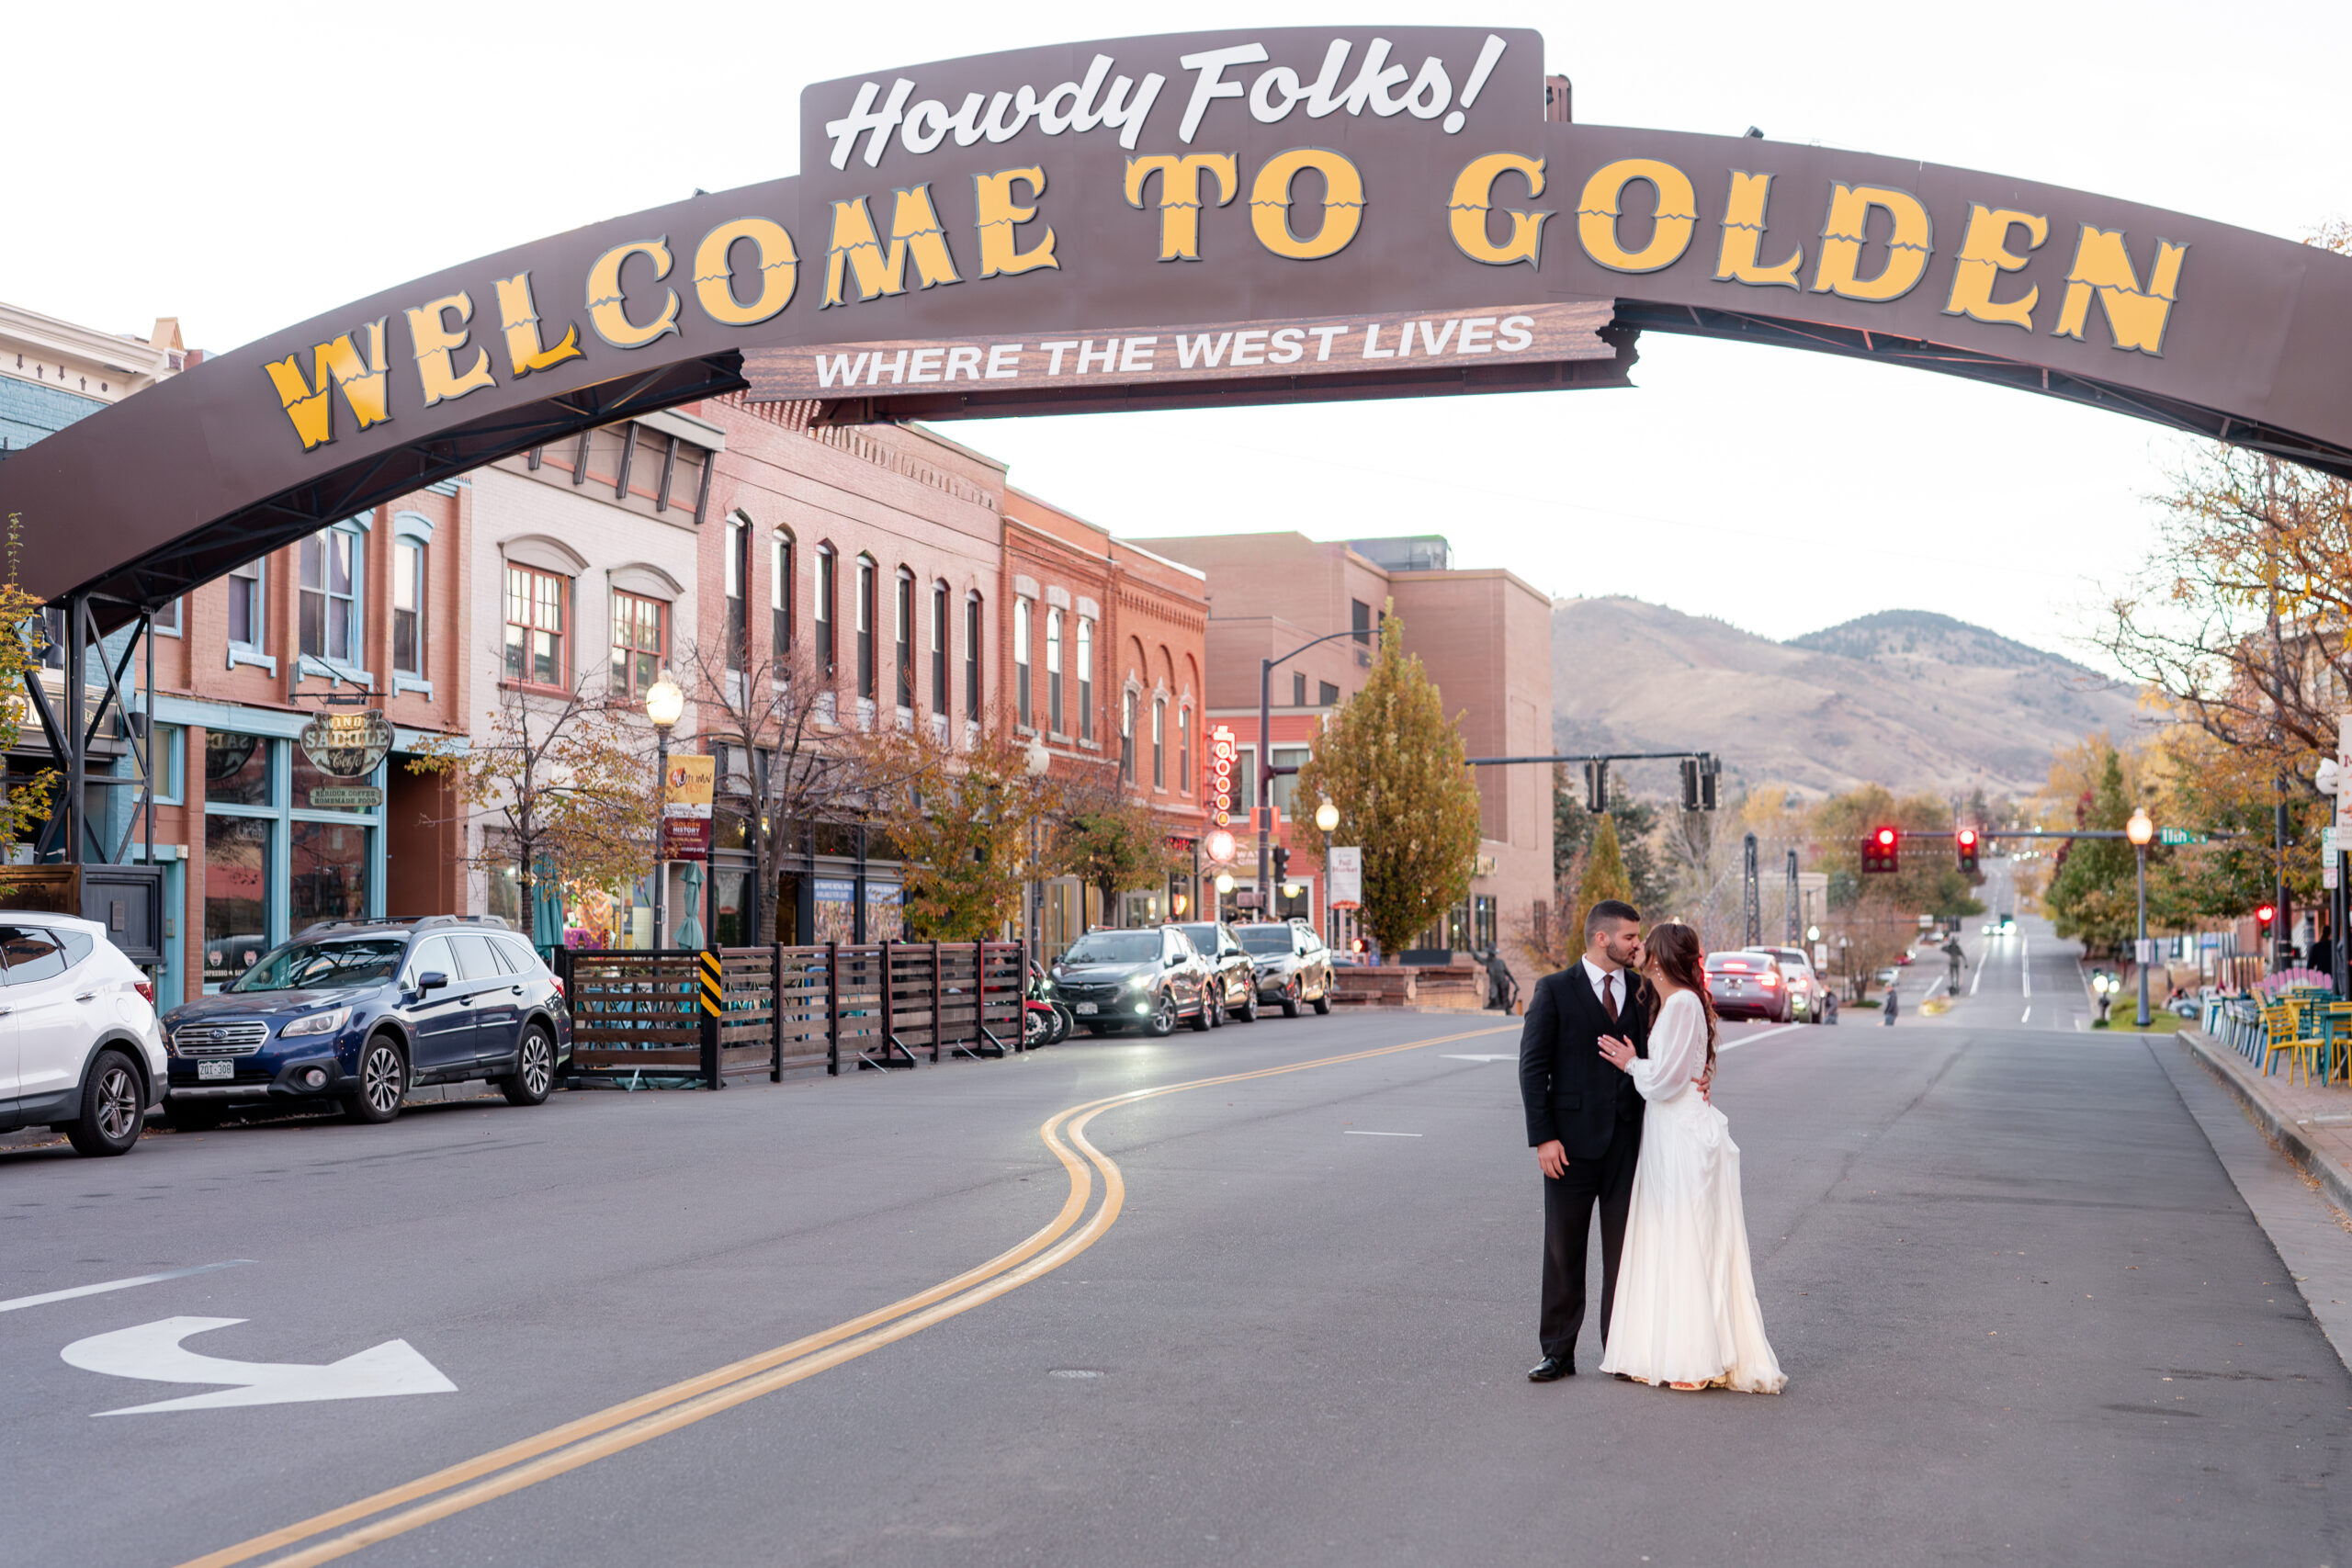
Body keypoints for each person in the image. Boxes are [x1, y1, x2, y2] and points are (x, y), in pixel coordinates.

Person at [1597, 923, 1787, 1393]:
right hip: (1668, 1130)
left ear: (1659, 959)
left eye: (1646, 944)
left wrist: (1630, 1063)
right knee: (1672, 1237)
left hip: (1679, 1133)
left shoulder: (1681, 1003)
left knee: (1684, 1238)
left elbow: (1665, 1081)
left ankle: (1693, 1358)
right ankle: (1666, 1350)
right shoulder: (1674, 1001)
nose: (1638, 949)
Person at [1517, 899, 1657, 1382]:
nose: (1638, 945)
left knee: (1625, 1251)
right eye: (1630, 938)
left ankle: (1619, 1351)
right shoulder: (1555, 990)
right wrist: (1544, 1138)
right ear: (1603, 938)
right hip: (1569, 1146)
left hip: (1628, 1142)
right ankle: (1557, 1352)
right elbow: (1533, 1068)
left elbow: (1663, 1056)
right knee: (1563, 1249)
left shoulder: (1642, 990)